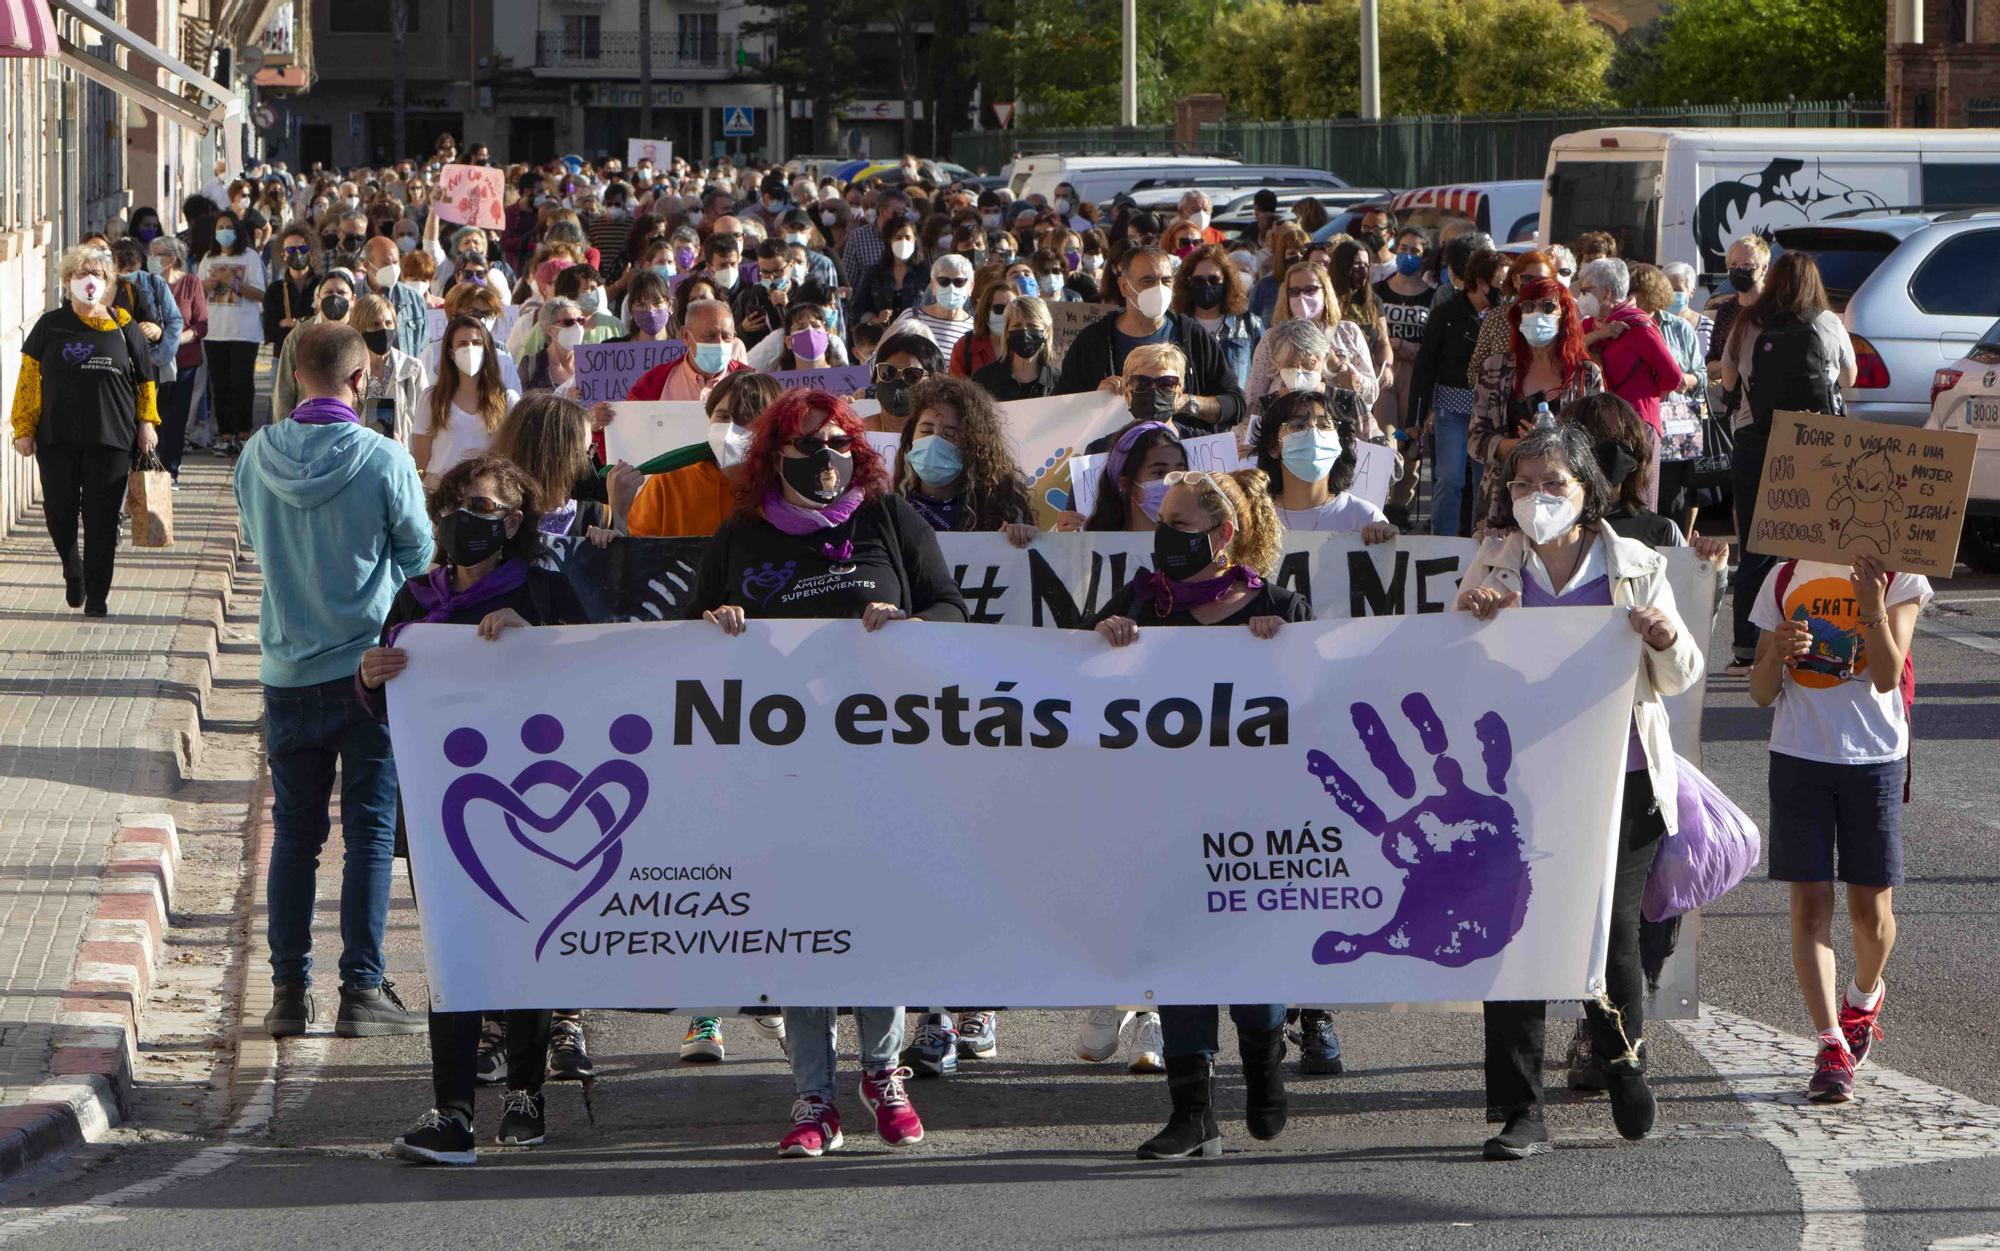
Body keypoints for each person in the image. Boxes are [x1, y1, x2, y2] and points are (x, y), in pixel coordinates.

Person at [686, 389, 967, 1157]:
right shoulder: (740, 535)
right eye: (809, 447)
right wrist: (714, 629)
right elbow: (683, 642)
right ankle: (814, 1094)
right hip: (781, 774)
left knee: (877, 916)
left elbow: (950, 609)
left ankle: (883, 1073)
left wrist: (910, 627)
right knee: (800, 926)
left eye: (840, 443)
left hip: (886, 764)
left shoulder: (886, 518)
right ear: (775, 457)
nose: (828, 459)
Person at [1455, 424, 1701, 1161]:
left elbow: (1681, 673)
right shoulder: (1495, 561)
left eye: (1553, 484)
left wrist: (1660, 637)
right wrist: (1474, 620)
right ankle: (1520, 1108)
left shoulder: (1635, 564)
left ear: (1588, 493)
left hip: (1619, 779)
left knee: (1613, 932)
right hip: (1518, 785)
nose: (1538, 498)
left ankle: (1622, 1061)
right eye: (1524, 485)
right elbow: (1452, 671)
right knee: (1513, 933)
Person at [364, 455, 585, 1166]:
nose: (466, 516)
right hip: (442, 808)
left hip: (533, 807)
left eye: (483, 504)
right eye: (456, 502)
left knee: (523, 944)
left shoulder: (545, 593)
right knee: (453, 952)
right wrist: (370, 676)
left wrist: (539, 643)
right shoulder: (415, 600)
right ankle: (453, 1107)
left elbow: (604, 674)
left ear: (514, 519)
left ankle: (525, 1092)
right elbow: (384, 701)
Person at [1086, 465, 1303, 1159]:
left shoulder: (1279, 606)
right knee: (1179, 955)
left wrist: (1283, 651)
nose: (1165, 537)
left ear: (1224, 534)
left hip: (1255, 818)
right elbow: (1073, 671)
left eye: (1180, 525)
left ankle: (1265, 1069)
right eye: (1162, 522)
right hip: (1168, 815)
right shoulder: (1146, 600)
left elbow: (1323, 699)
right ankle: (1193, 1113)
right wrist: (1104, 631)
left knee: (1250, 956)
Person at [234, 322, 432, 1040]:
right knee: (371, 833)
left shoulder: (256, 455)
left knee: (295, 835)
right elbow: (420, 553)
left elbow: (255, 539)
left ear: (293, 372)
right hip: (370, 672)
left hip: (287, 668)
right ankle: (362, 988)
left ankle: (289, 991)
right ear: (360, 380)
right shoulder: (382, 459)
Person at [1748, 545, 1926, 1104]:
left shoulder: (1902, 574)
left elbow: (1885, 675)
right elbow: (1759, 691)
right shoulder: (1783, 576)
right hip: (1799, 754)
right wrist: (1777, 652)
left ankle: (1863, 998)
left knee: (1871, 913)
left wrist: (1871, 603)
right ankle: (1830, 1044)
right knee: (1811, 903)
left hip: (1872, 757)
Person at [1719, 251, 1855, 670]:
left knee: (1757, 545)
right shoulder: (1827, 323)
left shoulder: (1748, 323)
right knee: (1817, 540)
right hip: (1818, 443)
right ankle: (1819, 637)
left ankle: (1746, 646)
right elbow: (1849, 379)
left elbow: (1727, 380)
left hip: (1756, 439)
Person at [10, 244, 159, 615]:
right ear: (66, 282)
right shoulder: (50, 325)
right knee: (59, 512)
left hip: (111, 439)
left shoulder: (124, 325)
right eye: (81, 274)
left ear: (108, 282)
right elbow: (28, 380)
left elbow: (145, 380)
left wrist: (147, 423)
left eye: (97, 275)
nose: (89, 281)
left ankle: (97, 595)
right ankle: (71, 569)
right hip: (56, 438)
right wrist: (23, 427)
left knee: (102, 520)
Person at [1056, 248, 1245, 435]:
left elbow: (1236, 404)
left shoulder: (1193, 337)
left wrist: (1187, 403)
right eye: (1147, 281)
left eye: (1166, 281)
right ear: (1124, 287)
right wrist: (1095, 401)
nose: (1159, 288)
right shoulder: (1094, 342)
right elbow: (1059, 411)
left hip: (1182, 458)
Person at [1467, 275, 1604, 531]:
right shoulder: (1495, 368)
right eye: (1528, 307)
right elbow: (1475, 441)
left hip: (1564, 501)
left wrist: (1551, 447)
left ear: (1565, 314)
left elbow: (1596, 444)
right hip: (1503, 501)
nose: (1536, 313)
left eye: (1548, 307)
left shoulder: (1586, 374)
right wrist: (1520, 448)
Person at [1410, 242, 1505, 535]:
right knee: (1450, 478)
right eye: (1498, 284)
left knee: (1483, 482)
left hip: (1488, 413)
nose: (1504, 291)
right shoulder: (1447, 313)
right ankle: (1441, 541)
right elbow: (1426, 362)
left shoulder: (1504, 317)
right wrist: (1416, 415)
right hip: (1451, 409)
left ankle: (1479, 537)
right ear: (1480, 283)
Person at [1574, 258, 1680, 513]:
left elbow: (1673, 376)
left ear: (1607, 292)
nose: (1582, 296)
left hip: (1636, 425)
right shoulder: (1589, 325)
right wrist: (1601, 334)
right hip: (1596, 425)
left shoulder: (1638, 325)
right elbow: (1568, 352)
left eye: (1587, 290)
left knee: (1637, 501)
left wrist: (1648, 392)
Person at [626, 371, 783, 539]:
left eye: (746, 419)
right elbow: (635, 552)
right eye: (723, 416)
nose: (730, 429)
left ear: (771, 428)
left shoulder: (784, 490)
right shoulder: (666, 486)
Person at [891, 375, 1035, 540]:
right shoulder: (892, 511)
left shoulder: (999, 512)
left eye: (950, 434)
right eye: (926, 431)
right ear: (911, 437)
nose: (933, 442)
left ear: (973, 445)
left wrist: (1021, 537)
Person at [1254, 387, 1396, 541]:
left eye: (1324, 425)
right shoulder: (1254, 521)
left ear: (1338, 442)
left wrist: (1387, 540)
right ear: (1273, 446)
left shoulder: (1364, 518)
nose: (1313, 432)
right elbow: (1225, 563)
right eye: (1298, 426)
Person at [1247, 261, 1378, 422]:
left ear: (1325, 291)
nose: (1302, 296)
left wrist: (1342, 369)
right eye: (1294, 291)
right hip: (1285, 427)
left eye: (1310, 289)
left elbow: (1372, 393)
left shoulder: (1348, 332)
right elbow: (1253, 397)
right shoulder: (1271, 338)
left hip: (1339, 425)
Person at [1630, 264, 1708, 528]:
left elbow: (1701, 375)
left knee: (1672, 501)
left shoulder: (1679, 328)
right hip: (1636, 425)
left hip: (1675, 428)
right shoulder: (1622, 329)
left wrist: (1680, 381)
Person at [416, 315, 520, 489]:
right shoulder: (432, 398)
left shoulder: (507, 400)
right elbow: (420, 459)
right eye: (462, 344)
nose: (470, 348)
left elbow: (515, 456)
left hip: (488, 496)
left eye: (477, 342)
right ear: (451, 352)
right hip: (441, 495)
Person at [198, 206, 267, 456]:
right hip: (215, 332)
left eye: (228, 228)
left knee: (242, 382)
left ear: (237, 231)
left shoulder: (249, 257)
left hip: (244, 333)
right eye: (220, 228)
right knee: (220, 384)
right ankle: (225, 434)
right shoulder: (208, 258)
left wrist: (235, 282)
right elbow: (197, 293)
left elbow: (260, 294)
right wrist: (207, 284)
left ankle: (244, 433)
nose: (224, 232)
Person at [148, 235, 208, 479]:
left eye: (156, 253)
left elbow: (201, 324)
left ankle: (171, 469)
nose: (151, 258)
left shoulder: (191, 283)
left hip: (184, 360)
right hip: (153, 361)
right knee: (154, 414)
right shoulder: (147, 283)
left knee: (176, 416)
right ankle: (152, 467)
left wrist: (176, 340)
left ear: (171, 258)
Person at [272, 270, 357, 424]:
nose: (334, 297)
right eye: (328, 292)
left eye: (341, 292)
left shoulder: (360, 334)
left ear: (353, 299)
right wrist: (283, 430)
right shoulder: (299, 335)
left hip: (349, 426)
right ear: (318, 298)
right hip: (306, 424)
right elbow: (284, 390)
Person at [1175, 244, 1261, 393]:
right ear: (1188, 283)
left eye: (1214, 280)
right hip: (1189, 410)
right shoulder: (1176, 325)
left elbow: (1264, 374)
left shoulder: (1249, 324)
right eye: (1198, 281)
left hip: (1238, 412)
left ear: (1226, 282)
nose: (1207, 285)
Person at [348, 294, 430, 446]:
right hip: (361, 459)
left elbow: (427, 422)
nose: (383, 330)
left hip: (403, 459)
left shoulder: (413, 369)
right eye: (375, 324)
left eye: (388, 323)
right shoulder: (348, 371)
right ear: (360, 328)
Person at [629, 299, 749, 401]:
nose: (719, 343)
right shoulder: (654, 383)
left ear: (734, 337)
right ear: (686, 336)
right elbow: (630, 420)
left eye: (726, 337)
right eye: (709, 336)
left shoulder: (751, 383)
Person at [890, 252, 975, 360]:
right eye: (944, 281)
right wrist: (861, 376)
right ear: (933, 286)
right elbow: (873, 357)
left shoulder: (974, 329)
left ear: (971, 287)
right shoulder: (911, 317)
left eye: (959, 281)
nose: (951, 288)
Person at [971, 296, 1058, 402]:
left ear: (1046, 332)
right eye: (1017, 326)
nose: (1025, 331)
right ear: (1007, 332)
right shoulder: (984, 379)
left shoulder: (1059, 382)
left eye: (1032, 326)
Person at [360, 235, 429, 359]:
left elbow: (423, 348)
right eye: (386, 264)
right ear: (367, 265)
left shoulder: (413, 299)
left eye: (395, 262)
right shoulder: (354, 297)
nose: (392, 268)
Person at [852, 214, 928, 325]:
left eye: (908, 238)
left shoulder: (925, 273)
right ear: (889, 240)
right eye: (898, 237)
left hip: (915, 335)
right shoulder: (875, 273)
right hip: (882, 336)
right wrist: (875, 319)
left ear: (914, 240)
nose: (903, 242)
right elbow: (859, 308)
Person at [865, 331, 944, 435]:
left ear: (933, 382)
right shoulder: (856, 434)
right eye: (888, 372)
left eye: (912, 375)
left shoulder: (941, 440)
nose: (897, 386)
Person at [263, 227, 321, 358]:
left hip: (316, 358)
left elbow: (325, 323)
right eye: (291, 250)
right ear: (283, 255)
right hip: (283, 357)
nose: (298, 253)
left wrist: (290, 323)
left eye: (303, 249)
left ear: (311, 254)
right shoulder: (274, 289)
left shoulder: (322, 285)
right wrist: (305, 323)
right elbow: (269, 331)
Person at [949, 264, 1014, 378]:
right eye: (999, 309)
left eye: (1013, 309)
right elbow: (956, 391)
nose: (1006, 314)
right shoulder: (965, 347)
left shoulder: (1027, 346)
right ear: (985, 311)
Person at [1247, 223, 1310, 324]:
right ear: (1282, 256)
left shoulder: (1317, 287)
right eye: (1292, 253)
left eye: (1303, 253)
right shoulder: (1264, 287)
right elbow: (1250, 323)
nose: (1298, 258)